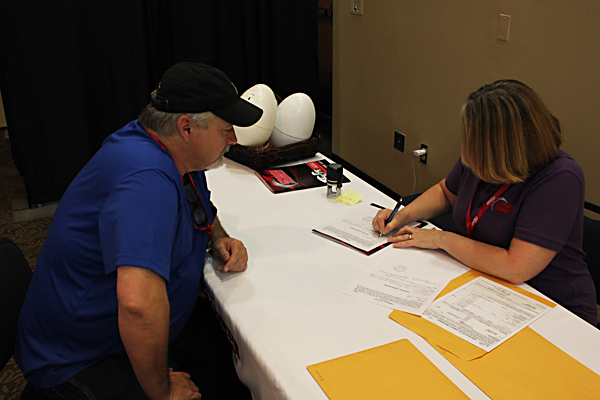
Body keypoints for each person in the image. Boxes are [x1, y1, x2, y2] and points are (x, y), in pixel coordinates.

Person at [15, 62, 263, 399]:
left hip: (113, 335)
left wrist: (217, 235)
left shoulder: (166, 147)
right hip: (79, 360)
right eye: (226, 129)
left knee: (233, 359)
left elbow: (199, 201)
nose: (233, 139)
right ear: (186, 127)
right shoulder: (145, 181)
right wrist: (163, 392)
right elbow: (138, 305)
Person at [373, 79, 597, 326]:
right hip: (488, 286)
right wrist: (403, 215)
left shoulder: (560, 178)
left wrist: (441, 239)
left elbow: (516, 267)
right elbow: (446, 192)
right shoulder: (482, 157)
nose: (466, 145)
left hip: (552, 307)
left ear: (501, 145)